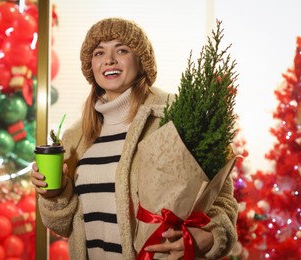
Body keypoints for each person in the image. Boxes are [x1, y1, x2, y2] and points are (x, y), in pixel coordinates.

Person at [31, 17, 238, 260]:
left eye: (121, 49)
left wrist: (210, 236)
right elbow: (65, 226)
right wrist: (53, 195)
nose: (109, 60)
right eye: (99, 53)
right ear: (91, 67)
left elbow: (221, 197)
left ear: (142, 62)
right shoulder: (76, 138)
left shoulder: (175, 116)